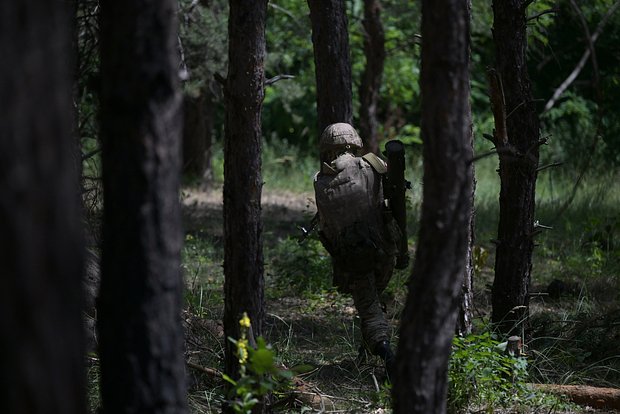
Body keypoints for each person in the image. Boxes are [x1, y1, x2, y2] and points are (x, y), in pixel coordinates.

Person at [313, 122, 407, 378]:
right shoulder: (371, 165)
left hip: (352, 258)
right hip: (385, 248)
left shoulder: (321, 180)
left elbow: (327, 227)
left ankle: (387, 357)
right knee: (371, 303)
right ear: (353, 142)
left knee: (368, 306)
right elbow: (395, 194)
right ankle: (372, 353)